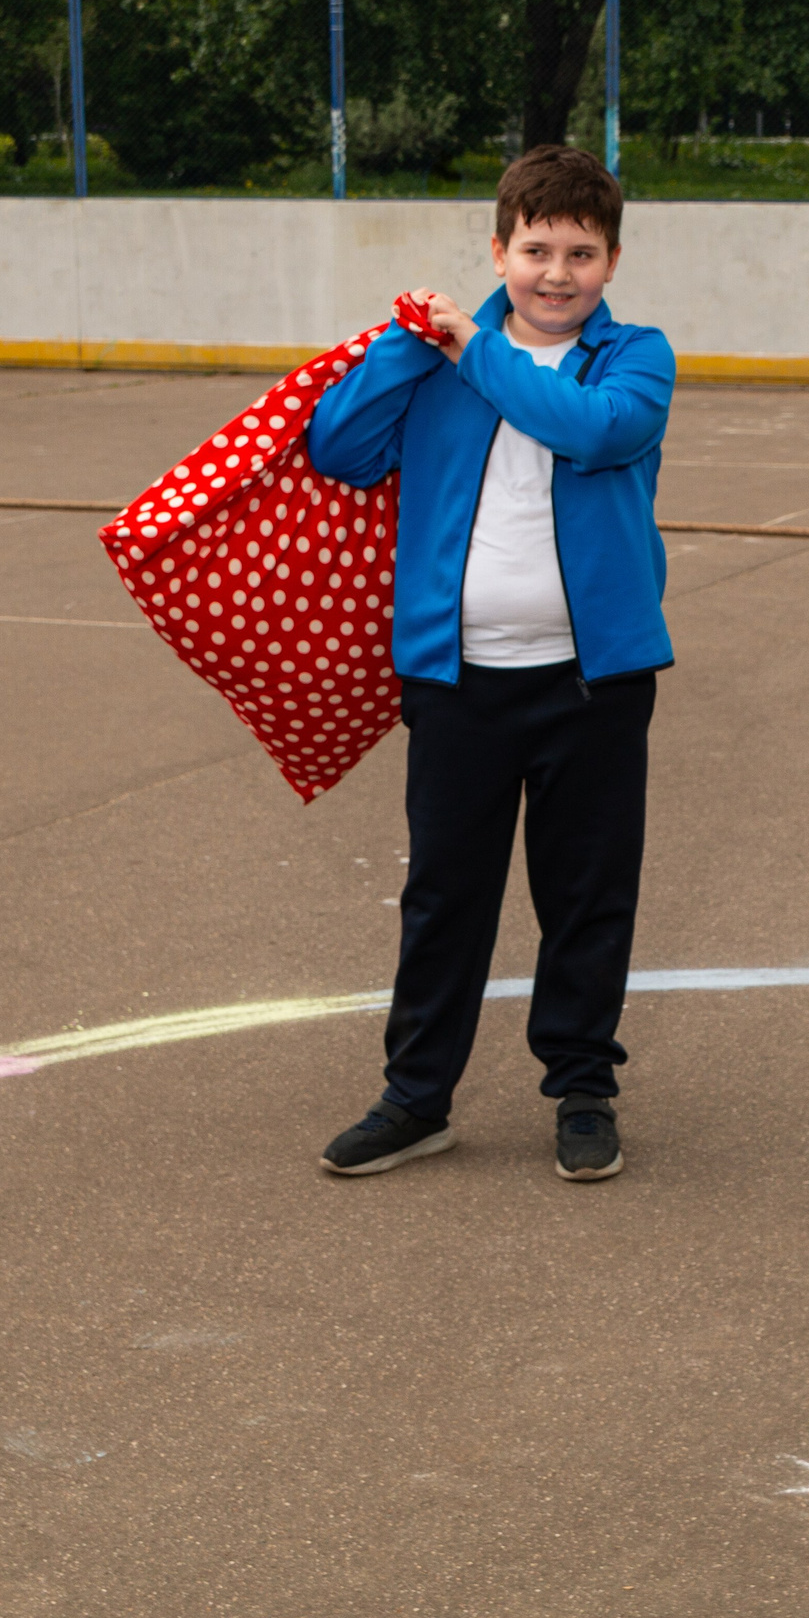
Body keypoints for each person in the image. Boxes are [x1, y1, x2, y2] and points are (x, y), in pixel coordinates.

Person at [303, 144, 677, 1179]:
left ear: (611, 261)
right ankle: (417, 1097)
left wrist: (469, 344)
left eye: (581, 253)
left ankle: (583, 1087)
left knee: (587, 891)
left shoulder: (633, 359)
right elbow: (338, 446)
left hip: (592, 681)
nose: (556, 273)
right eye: (536, 248)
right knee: (445, 894)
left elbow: (587, 431)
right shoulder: (439, 359)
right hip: (458, 680)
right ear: (498, 247)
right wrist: (405, 344)